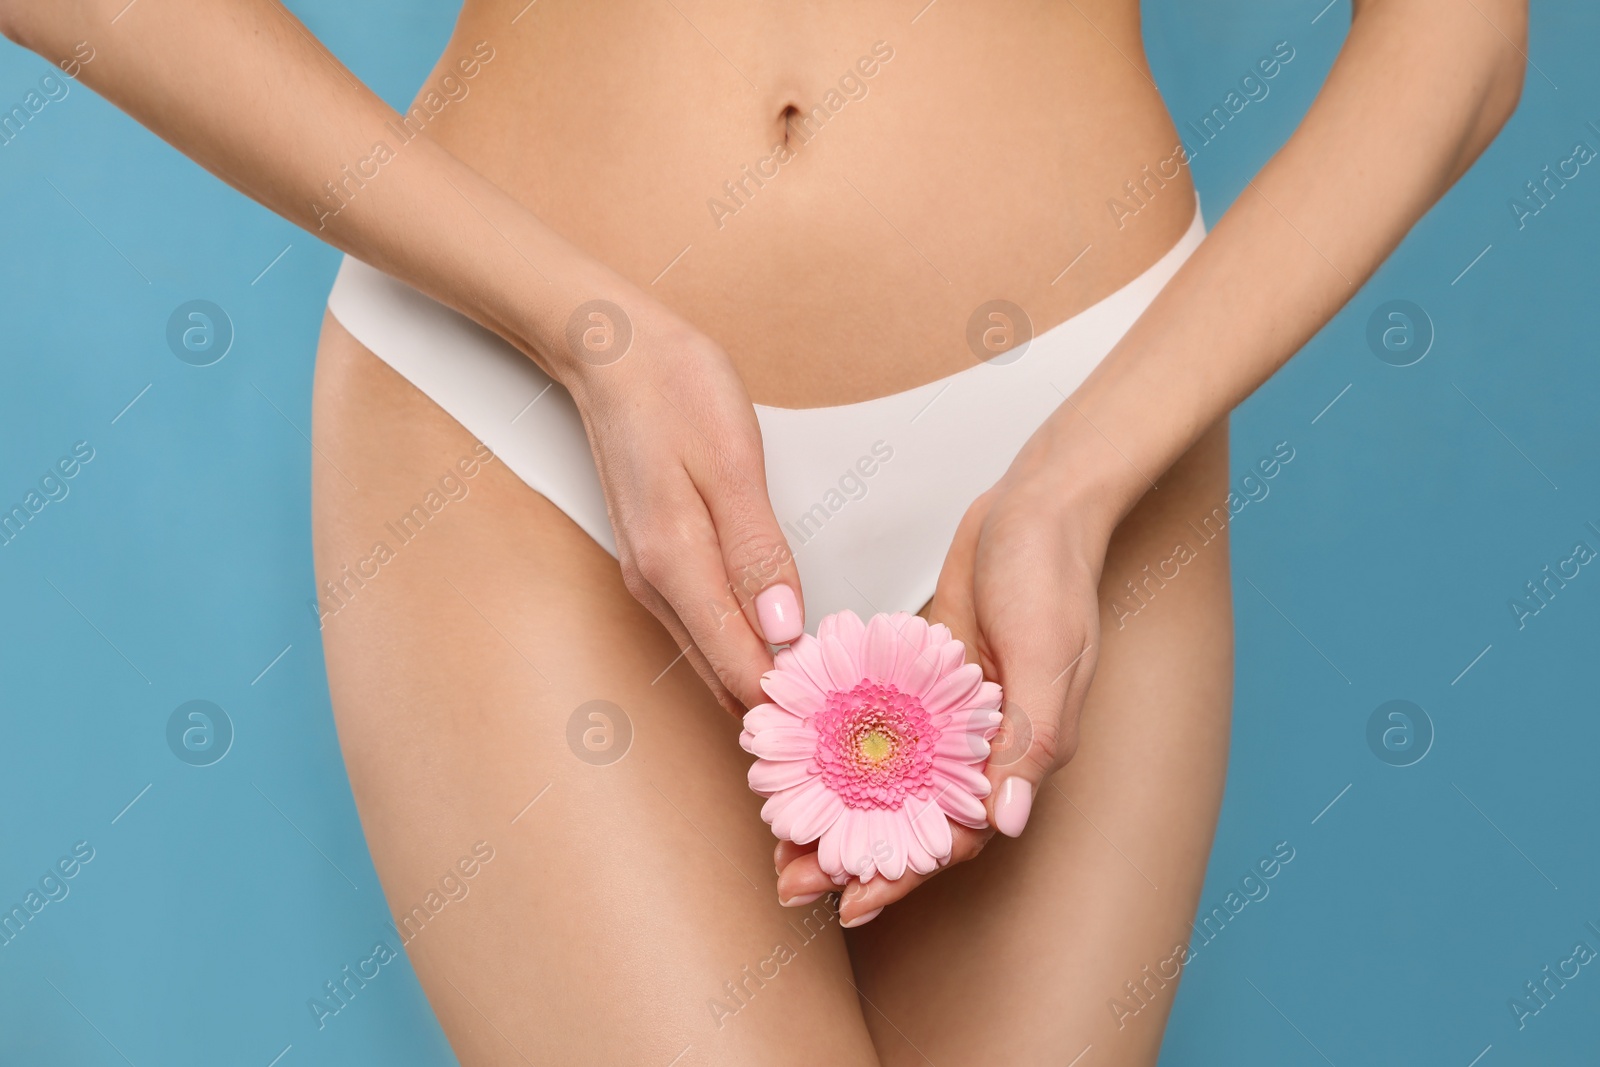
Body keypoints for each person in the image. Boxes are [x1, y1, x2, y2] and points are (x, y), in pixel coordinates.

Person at [0, 1, 1524, 1062]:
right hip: (514, 400)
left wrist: (1080, 477)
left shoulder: (1089, 465)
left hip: (1090, 417)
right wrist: (585, 333)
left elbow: (1459, 41)